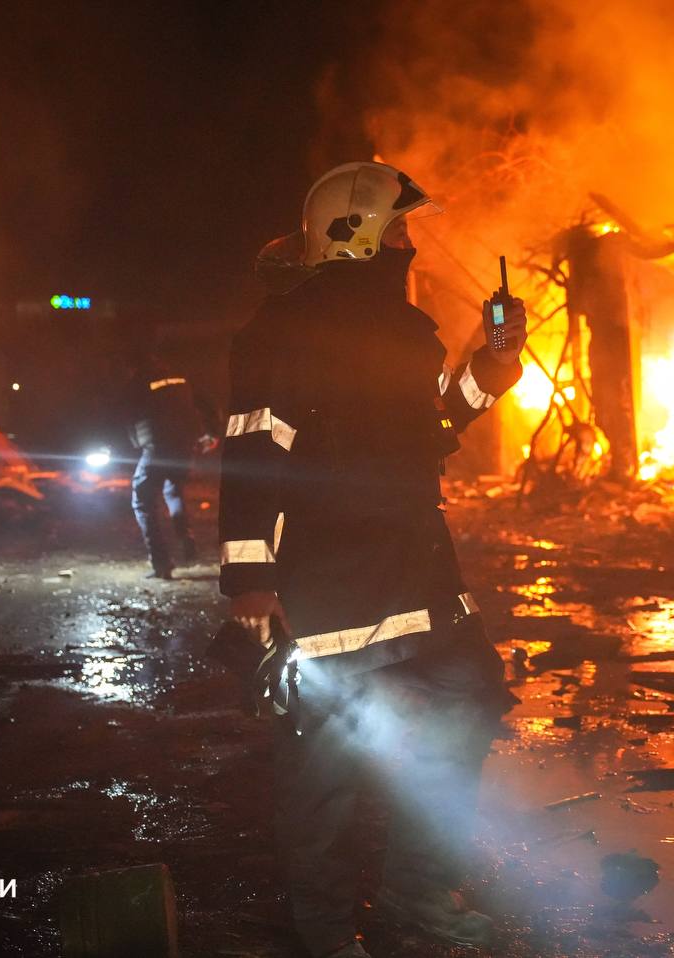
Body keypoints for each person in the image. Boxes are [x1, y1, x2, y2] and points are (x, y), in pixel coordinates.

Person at [218, 161, 528, 958]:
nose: (409, 244)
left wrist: (492, 365)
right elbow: (252, 455)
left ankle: (417, 895)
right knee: (322, 769)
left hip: (419, 574)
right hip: (331, 589)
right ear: (356, 236)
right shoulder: (282, 333)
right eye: (399, 230)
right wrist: (250, 582)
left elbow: (435, 426)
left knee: (466, 707)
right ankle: (326, 935)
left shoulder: (404, 330)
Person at [127, 357, 217, 579]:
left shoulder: (137, 381)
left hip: (156, 448)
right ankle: (187, 541)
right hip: (184, 445)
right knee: (174, 491)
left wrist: (133, 442)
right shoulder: (181, 377)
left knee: (142, 502)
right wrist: (211, 433)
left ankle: (161, 563)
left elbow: (126, 413)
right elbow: (208, 404)